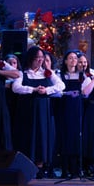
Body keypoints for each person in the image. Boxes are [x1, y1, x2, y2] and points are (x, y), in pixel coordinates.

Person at [10, 46, 65, 178]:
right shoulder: (23, 73)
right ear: (30, 59)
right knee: (28, 136)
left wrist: (46, 90)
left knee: (41, 137)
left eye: (42, 58)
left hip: (43, 110)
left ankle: (40, 167)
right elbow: (16, 88)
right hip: (27, 110)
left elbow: (61, 85)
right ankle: (27, 167)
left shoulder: (47, 73)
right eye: (37, 58)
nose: (40, 61)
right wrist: (33, 90)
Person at [56, 50, 86, 178]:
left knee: (76, 137)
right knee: (65, 136)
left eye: (75, 58)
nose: (73, 60)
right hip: (64, 108)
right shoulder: (60, 75)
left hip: (77, 108)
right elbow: (56, 92)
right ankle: (64, 169)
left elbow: (86, 92)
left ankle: (75, 169)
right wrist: (67, 93)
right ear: (65, 61)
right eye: (70, 58)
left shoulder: (82, 75)